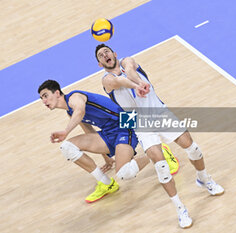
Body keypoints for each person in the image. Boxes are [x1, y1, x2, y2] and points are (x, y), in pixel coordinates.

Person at [95, 44, 225, 229]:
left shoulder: (128, 61)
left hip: (159, 112)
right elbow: (120, 82)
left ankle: (203, 178)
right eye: (101, 55)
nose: (105, 54)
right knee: (161, 166)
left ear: (115, 54)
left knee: (193, 148)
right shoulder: (107, 79)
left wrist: (137, 82)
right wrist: (137, 85)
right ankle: (180, 209)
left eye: (107, 51)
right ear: (100, 64)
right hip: (139, 123)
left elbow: (130, 71)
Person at [37, 80, 177, 203]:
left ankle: (158, 153)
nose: (44, 101)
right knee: (67, 147)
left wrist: (66, 132)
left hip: (125, 123)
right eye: (41, 98)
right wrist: (106, 158)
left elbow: (80, 110)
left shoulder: (74, 97)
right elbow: (89, 132)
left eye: (45, 96)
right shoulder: (69, 112)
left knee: (124, 173)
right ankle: (106, 184)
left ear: (56, 93)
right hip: (108, 133)